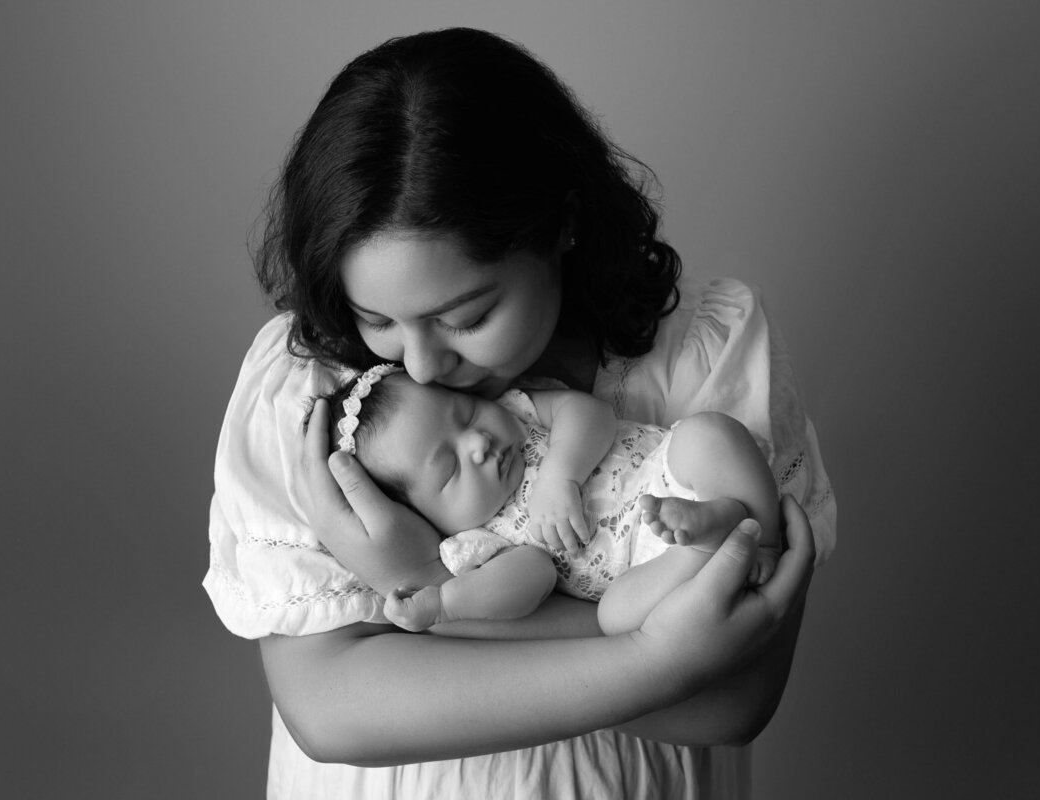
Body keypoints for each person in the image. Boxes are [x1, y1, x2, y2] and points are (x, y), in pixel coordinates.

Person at [204, 27, 835, 799]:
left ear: (562, 223)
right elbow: (333, 707)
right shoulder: (314, 397)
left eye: (466, 317)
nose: (421, 366)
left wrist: (417, 582)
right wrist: (658, 656)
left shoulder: (705, 352)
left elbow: (729, 702)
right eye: (378, 320)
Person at [320, 366, 783, 633]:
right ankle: (706, 543)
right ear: (425, 516)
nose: (478, 443)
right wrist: (446, 603)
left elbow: (592, 413)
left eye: (466, 413)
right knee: (615, 619)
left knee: (708, 433)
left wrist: (561, 474)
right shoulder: (477, 540)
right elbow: (533, 577)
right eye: (450, 469)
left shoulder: (518, 411)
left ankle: (761, 538)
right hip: (645, 568)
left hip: (667, 470)